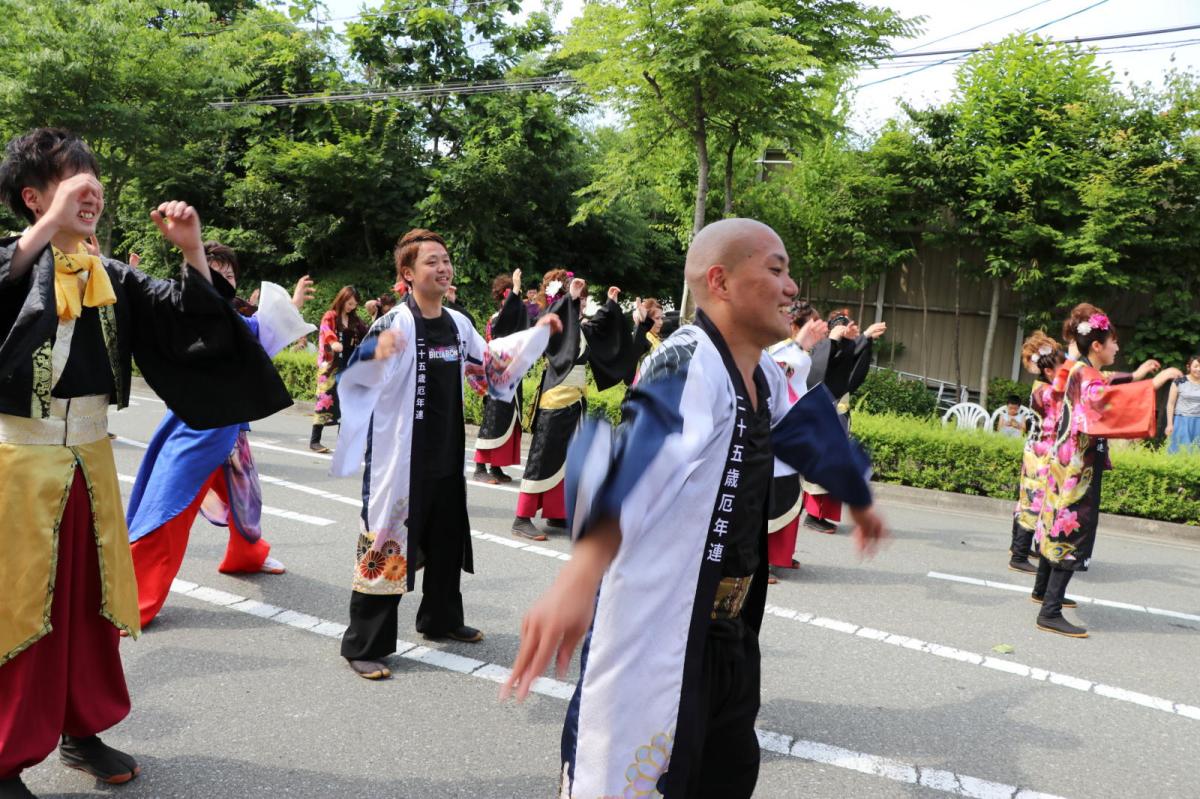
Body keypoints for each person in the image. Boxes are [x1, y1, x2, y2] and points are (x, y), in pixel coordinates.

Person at [503, 218, 886, 798]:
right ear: (721, 281)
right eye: (776, 270)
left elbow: (805, 428)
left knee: (724, 773)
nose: (792, 289)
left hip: (728, 633)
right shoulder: (687, 357)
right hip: (658, 631)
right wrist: (577, 578)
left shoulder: (760, 371)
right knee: (632, 778)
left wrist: (859, 498)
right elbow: (637, 459)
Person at [0, 128, 291, 796]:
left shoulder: (113, 277)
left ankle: (83, 728)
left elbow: (190, 320)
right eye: (71, 176)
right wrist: (48, 226)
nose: (89, 186)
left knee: (92, 608)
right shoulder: (13, 262)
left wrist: (191, 249)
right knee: (18, 610)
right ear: (33, 195)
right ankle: (6, 753)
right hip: (19, 467)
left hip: (92, 465)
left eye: (93, 175)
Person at [330, 229, 560, 680]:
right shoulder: (395, 322)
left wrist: (534, 336)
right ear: (408, 274)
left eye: (445, 260)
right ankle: (364, 644)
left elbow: (490, 362)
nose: (442, 267)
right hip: (400, 460)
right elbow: (355, 379)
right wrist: (375, 355)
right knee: (386, 540)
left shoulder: (458, 322)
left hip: (446, 452)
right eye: (431, 261)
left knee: (446, 536)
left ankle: (440, 619)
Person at [125, 241, 315, 629]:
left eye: (230, 274)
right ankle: (134, 601)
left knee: (246, 504)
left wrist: (291, 304)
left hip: (231, 433)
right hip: (194, 433)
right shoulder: (179, 317)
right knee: (166, 510)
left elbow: (269, 332)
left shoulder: (237, 320)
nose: (225, 280)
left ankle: (247, 556)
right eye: (214, 273)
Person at [1031, 305, 1181, 637]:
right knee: (1073, 528)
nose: (1117, 348)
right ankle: (1049, 610)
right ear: (1097, 346)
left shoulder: (1077, 370)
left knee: (1057, 522)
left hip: (1066, 460)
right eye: (1113, 342)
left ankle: (1044, 592)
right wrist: (1154, 381)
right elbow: (1106, 400)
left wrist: (1139, 375)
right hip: (1077, 466)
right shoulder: (1084, 375)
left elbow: (1106, 384)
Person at [510, 269, 631, 542]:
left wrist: (611, 304)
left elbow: (600, 325)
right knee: (543, 457)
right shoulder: (554, 323)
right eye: (579, 299)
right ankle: (521, 517)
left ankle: (558, 512)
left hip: (577, 399)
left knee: (569, 459)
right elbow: (548, 317)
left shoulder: (581, 327)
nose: (583, 303)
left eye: (585, 299)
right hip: (555, 399)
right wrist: (569, 299)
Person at [800, 309, 886, 533]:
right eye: (841, 326)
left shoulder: (844, 347)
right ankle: (812, 515)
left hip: (838, 414)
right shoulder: (822, 346)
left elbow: (853, 366)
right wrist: (834, 340)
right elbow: (818, 370)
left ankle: (821, 515)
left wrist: (866, 337)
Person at [765, 300, 828, 582]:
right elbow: (775, 376)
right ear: (794, 326)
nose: (818, 331)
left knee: (790, 494)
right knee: (774, 497)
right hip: (778, 432)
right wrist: (796, 345)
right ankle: (758, 562)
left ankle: (779, 555)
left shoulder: (797, 349)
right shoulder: (780, 350)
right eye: (811, 325)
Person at [1006, 332, 1065, 575]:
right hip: (1041, 452)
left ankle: (1017, 548)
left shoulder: (1041, 385)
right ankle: (1019, 555)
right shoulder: (1049, 392)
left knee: (1027, 498)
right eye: (1060, 365)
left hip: (1035, 449)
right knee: (1034, 501)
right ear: (1049, 369)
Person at [472, 270, 529, 484]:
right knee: (493, 418)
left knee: (508, 418)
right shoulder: (498, 318)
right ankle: (479, 466)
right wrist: (515, 289)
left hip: (513, 373)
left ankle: (496, 466)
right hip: (498, 374)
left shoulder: (516, 318)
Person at [311, 286, 368, 453]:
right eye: (349, 303)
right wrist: (333, 342)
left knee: (347, 405)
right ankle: (315, 441)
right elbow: (326, 331)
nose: (351, 307)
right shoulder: (331, 316)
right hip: (330, 368)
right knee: (324, 401)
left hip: (348, 368)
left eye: (354, 305)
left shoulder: (355, 321)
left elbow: (368, 333)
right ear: (342, 299)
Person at [1166, 354, 1200, 454]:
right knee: (1180, 452)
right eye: (1196, 366)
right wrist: (1169, 424)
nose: (1199, 369)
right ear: (1188, 367)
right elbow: (1170, 404)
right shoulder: (1179, 382)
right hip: (1182, 421)